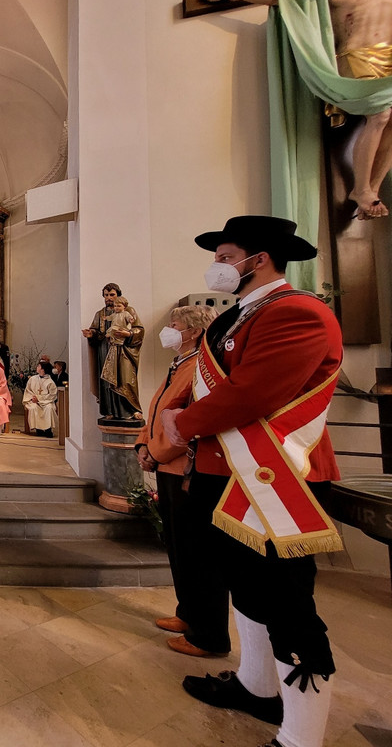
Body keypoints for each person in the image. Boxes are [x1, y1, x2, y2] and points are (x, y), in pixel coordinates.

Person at [159, 216, 344, 747]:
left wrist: (183, 423)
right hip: (228, 475)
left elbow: (252, 393)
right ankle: (256, 687)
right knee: (247, 592)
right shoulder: (243, 315)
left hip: (275, 479)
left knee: (287, 606)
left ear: (257, 259)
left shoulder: (298, 314)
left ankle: (301, 737)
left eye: (224, 256)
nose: (217, 266)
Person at [206, 0, 392, 219]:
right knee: (380, 114)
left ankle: (371, 189)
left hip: (389, 63)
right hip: (357, 57)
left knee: (390, 121)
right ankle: (361, 188)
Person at [134, 304, 229, 659]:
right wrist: (144, 442)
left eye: (174, 325)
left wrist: (155, 452)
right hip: (167, 466)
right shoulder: (179, 365)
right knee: (178, 545)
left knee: (198, 551)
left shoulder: (203, 369)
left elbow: (188, 423)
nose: (168, 330)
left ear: (193, 331)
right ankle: (187, 614)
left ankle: (209, 635)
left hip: (188, 469)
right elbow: (157, 409)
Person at [82, 283, 143, 420]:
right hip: (105, 350)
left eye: (112, 295)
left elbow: (139, 329)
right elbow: (98, 332)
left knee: (126, 379)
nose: (109, 298)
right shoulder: (100, 314)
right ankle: (109, 410)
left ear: (118, 295)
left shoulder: (129, 311)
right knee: (107, 382)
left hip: (124, 351)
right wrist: (91, 333)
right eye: (106, 295)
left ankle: (132, 409)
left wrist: (128, 334)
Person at [23, 360, 58, 437]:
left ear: (43, 369)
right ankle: (38, 430)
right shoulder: (33, 379)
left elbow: (53, 395)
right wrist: (33, 398)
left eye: (39, 366)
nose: (37, 367)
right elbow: (28, 390)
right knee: (34, 408)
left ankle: (48, 430)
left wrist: (39, 399)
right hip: (33, 401)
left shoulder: (50, 382)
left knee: (49, 408)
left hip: (46, 402)